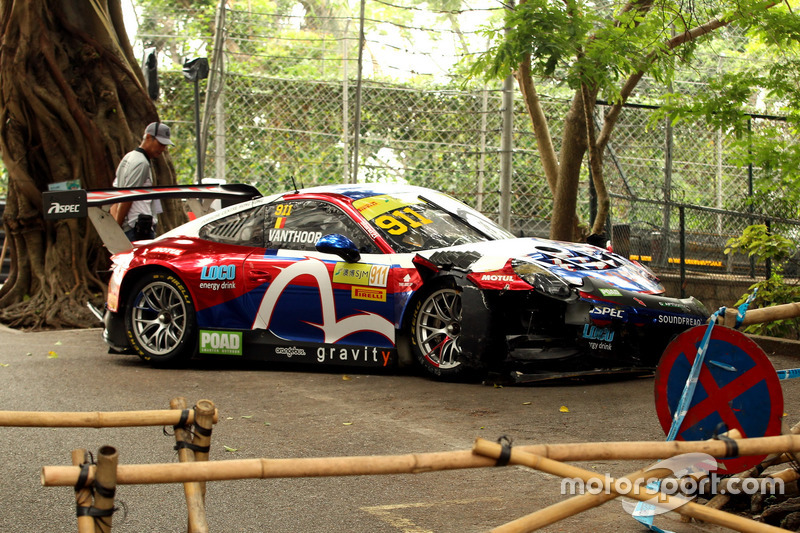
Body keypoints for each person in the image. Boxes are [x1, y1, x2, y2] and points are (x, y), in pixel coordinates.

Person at [112, 122, 173, 241]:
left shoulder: (129, 157)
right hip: (137, 229)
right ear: (149, 137)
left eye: (165, 145)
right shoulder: (141, 163)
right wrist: (116, 230)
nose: (163, 149)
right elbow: (128, 197)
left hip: (131, 229)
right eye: (160, 143)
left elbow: (115, 193)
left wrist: (115, 227)